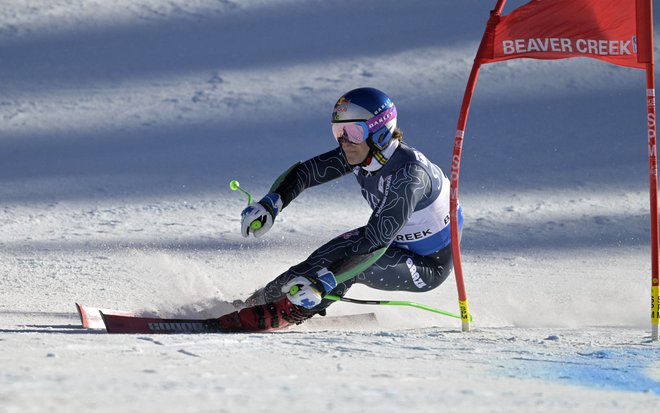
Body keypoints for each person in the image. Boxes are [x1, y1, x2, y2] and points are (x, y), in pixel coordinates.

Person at [217, 87, 463, 332]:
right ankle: (253, 304)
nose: (345, 142)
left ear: (380, 132)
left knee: (344, 264)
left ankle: (290, 311)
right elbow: (305, 173)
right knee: (319, 260)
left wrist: (320, 284)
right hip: (390, 241)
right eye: (339, 132)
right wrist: (271, 203)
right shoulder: (364, 151)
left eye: (353, 132)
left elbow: (375, 242)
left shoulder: (408, 175)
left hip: (425, 263)